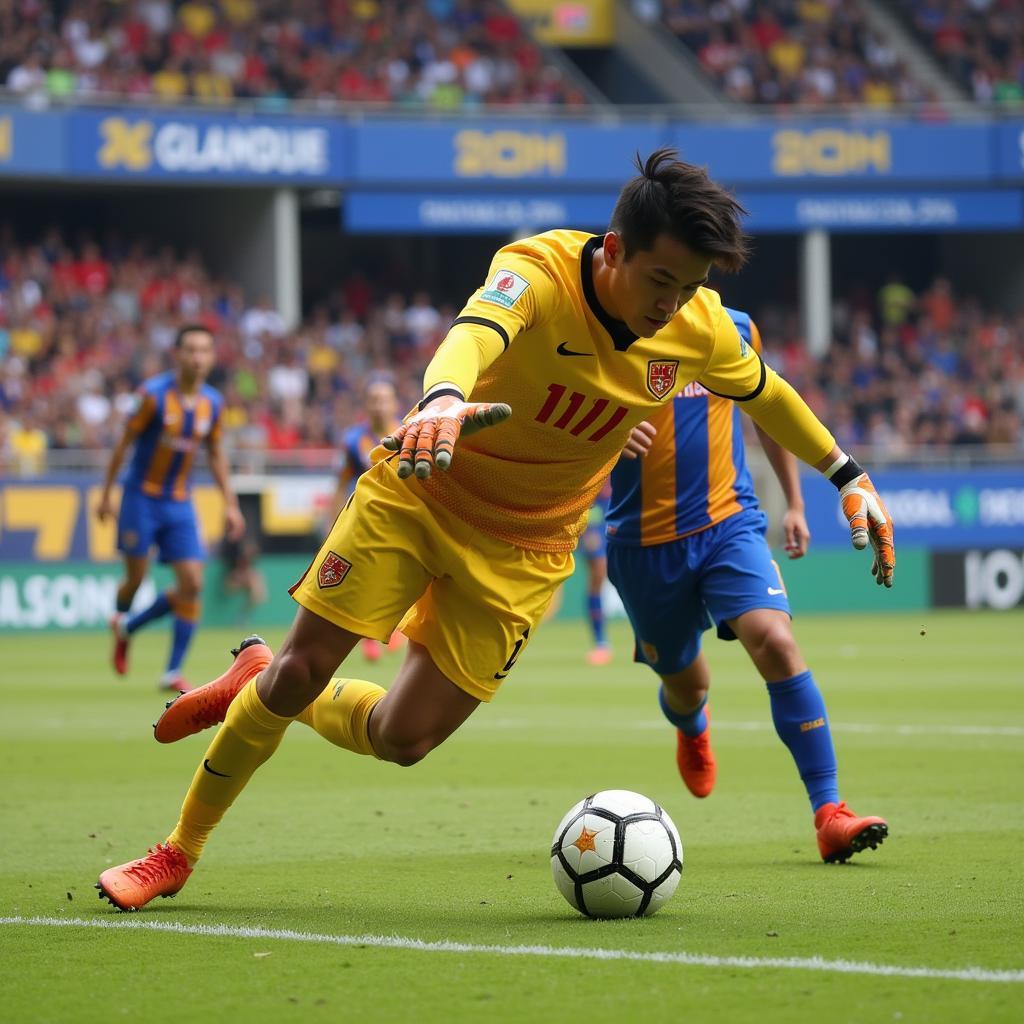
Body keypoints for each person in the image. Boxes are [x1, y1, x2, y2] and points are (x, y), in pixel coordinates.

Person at [95, 150, 894, 910]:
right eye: (660, 281)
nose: (671, 305)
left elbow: (769, 393)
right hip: (425, 491)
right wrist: (443, 396)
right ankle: (176, 851)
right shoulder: (538, 271)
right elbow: (475, 335)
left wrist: (848, 477)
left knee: (403, 738)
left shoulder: (698, 326)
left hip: (527, 550)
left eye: (688, 288)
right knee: (307, 669)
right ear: (614, 249)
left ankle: (255, 680)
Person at [608, 308, 888, 863]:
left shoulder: (734, 327)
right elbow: (554, 420)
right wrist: (604, 434)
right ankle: (692, 723)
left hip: (728, 523)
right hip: (643, 545)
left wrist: (796, 502)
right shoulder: (607, 327)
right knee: (686, 684)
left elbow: (767, 406)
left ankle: (829, 812)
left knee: (778, 643)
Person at [96, 325, 245, 692]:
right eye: (190, 350)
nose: (197, 357)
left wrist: (231, 503)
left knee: (192, 582)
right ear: (177, 354)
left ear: (212, 357)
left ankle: (171, 670)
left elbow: (214, 454)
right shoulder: (152, 396)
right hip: (140, 498)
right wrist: (105, 493)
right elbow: (123, 444)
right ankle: (124, 621)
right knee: (135, 578)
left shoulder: (212, 402)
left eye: (205, 350)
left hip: (179, 500)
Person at [328, 374, 403, 662]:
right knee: (363, 578)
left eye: (384, 400)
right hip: (365, 519)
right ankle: (370, 635)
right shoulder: (352, 440)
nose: (379, 405)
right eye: (374, 400)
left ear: (395, 403)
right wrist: (332, 524)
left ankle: (395, 628)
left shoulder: (409, 431)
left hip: (402, 518)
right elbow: (339, 485)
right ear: (366, 405)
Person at [580, 481, 613, 665]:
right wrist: (589, 529)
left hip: (614, 508)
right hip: (591, 510)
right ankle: (600, 643)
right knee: (598, 573)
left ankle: (644, 639)